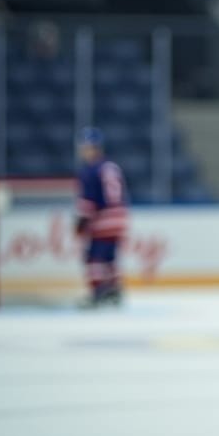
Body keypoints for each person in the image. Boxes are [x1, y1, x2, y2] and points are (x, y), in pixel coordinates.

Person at [75, 127, 130, 307]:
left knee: (94, 258)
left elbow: (88, 203)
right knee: (110, 257)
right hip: (120, 218)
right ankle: (114, 290)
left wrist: (81, 223)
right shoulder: (112, 166)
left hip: (103, 219)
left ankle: (97, 292)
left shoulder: (90, 170)